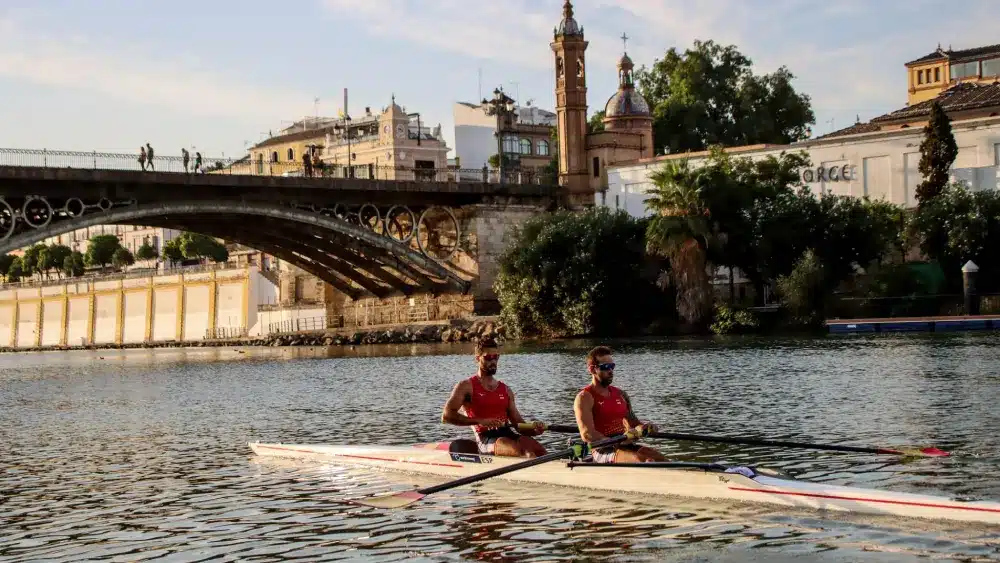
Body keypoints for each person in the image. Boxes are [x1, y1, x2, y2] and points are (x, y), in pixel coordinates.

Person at [442, 338, 547, 458]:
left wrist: (535, 430)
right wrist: (480, 420)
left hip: (508, 433)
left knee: (535, 448)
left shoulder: (506, 390)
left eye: (496, 357)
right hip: (486, 438)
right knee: (523, 452)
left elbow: (518, 425)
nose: (493, 361)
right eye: (488, 358)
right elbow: (447, 415)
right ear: (478, 358)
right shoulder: (466, 386)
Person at [573, 345, 667, 463]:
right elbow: (587, 434)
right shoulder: (584, 397)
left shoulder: (621, 394)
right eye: (605, 367)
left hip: (624, 445)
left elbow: (633, 423)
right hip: (602, 450)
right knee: (642, 460)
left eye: (612, 366)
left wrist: (647, 427)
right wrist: (618, 441)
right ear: (592, 370)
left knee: (660, 459)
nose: (610, 371)